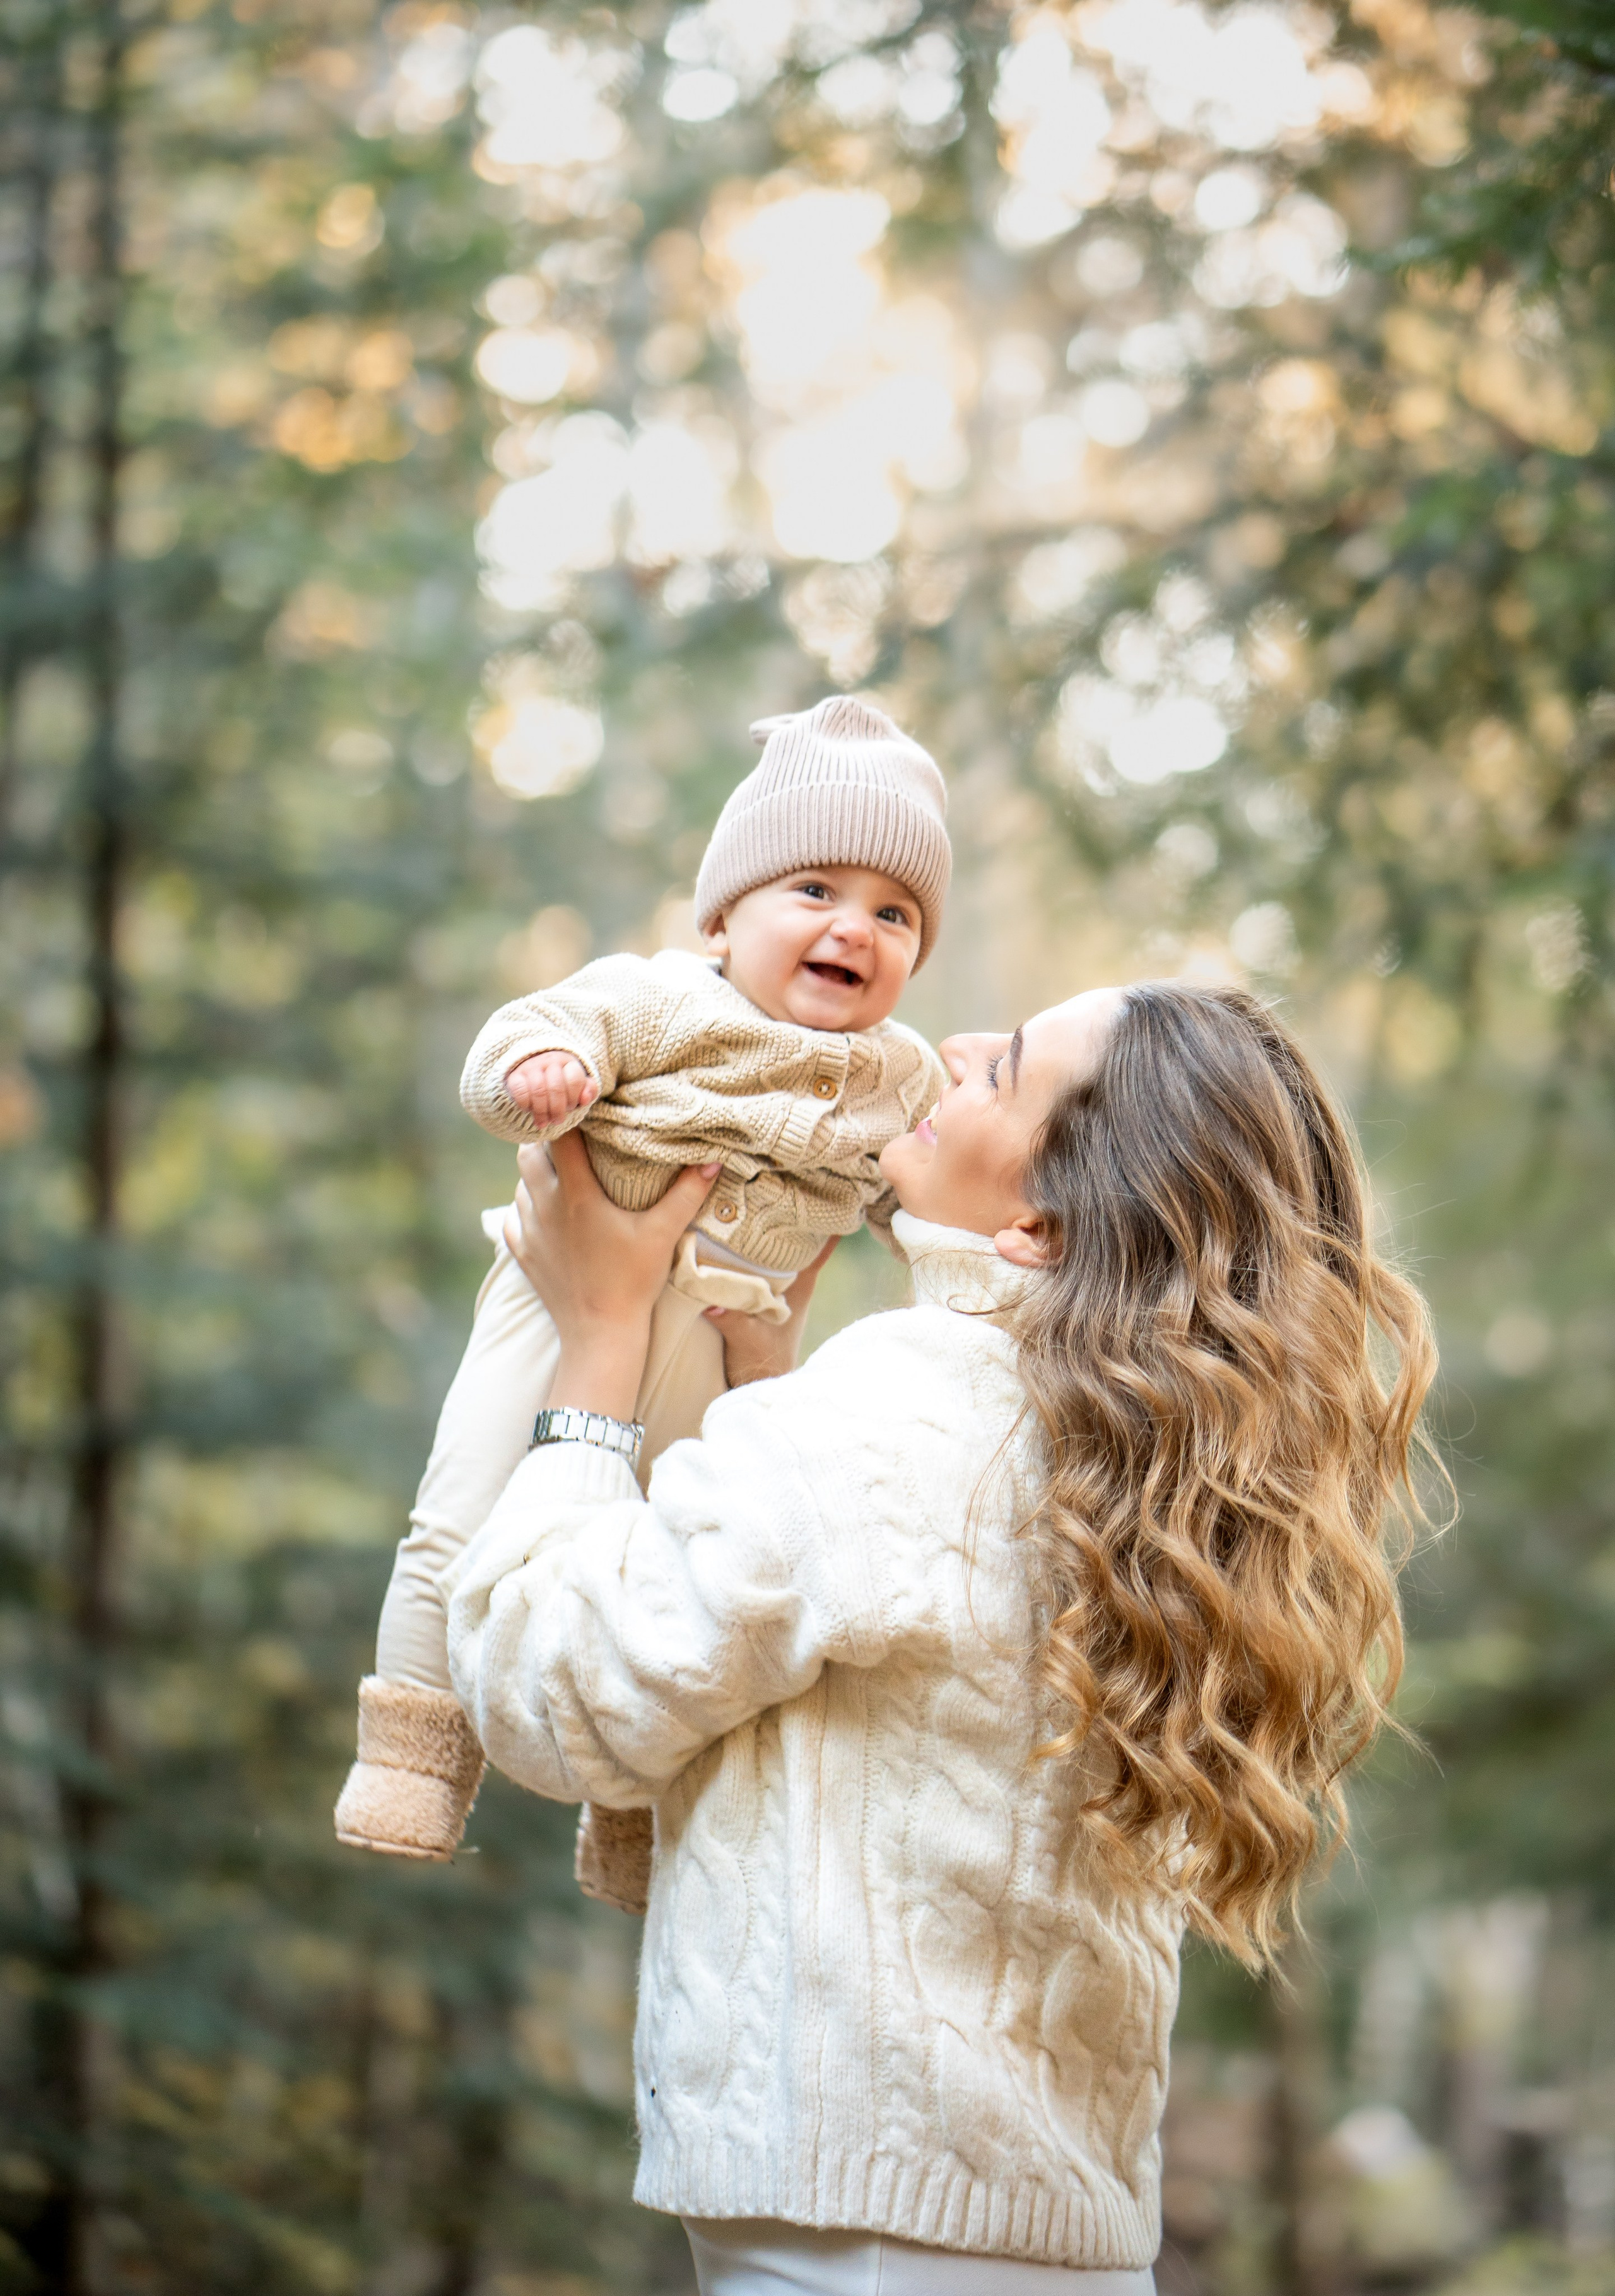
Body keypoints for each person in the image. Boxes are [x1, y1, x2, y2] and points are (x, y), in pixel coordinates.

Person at [442, 980, 1438, 2293]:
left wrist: (600, 1339)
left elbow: (550, 1690)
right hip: (1058, 2243)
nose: (955, 1048)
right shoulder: (1133, 1469)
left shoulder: (901, 1406)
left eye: (1005, 1066)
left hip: (854, 2253)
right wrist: (768, 1384)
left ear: (1035, 1223)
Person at [334, 696, 950, 1907]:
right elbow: (521, 1038)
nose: (854, 930)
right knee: (460, 1514)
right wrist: (541, 1076)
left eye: (895, 913)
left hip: (726, 1350)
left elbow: (924, 1188)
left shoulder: (902, 1072)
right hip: (561, 1301)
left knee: (673, 1576)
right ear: (725, 917)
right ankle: (412, 1753)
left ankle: (635, 1824)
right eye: (815, 891)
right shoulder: (659, 999)